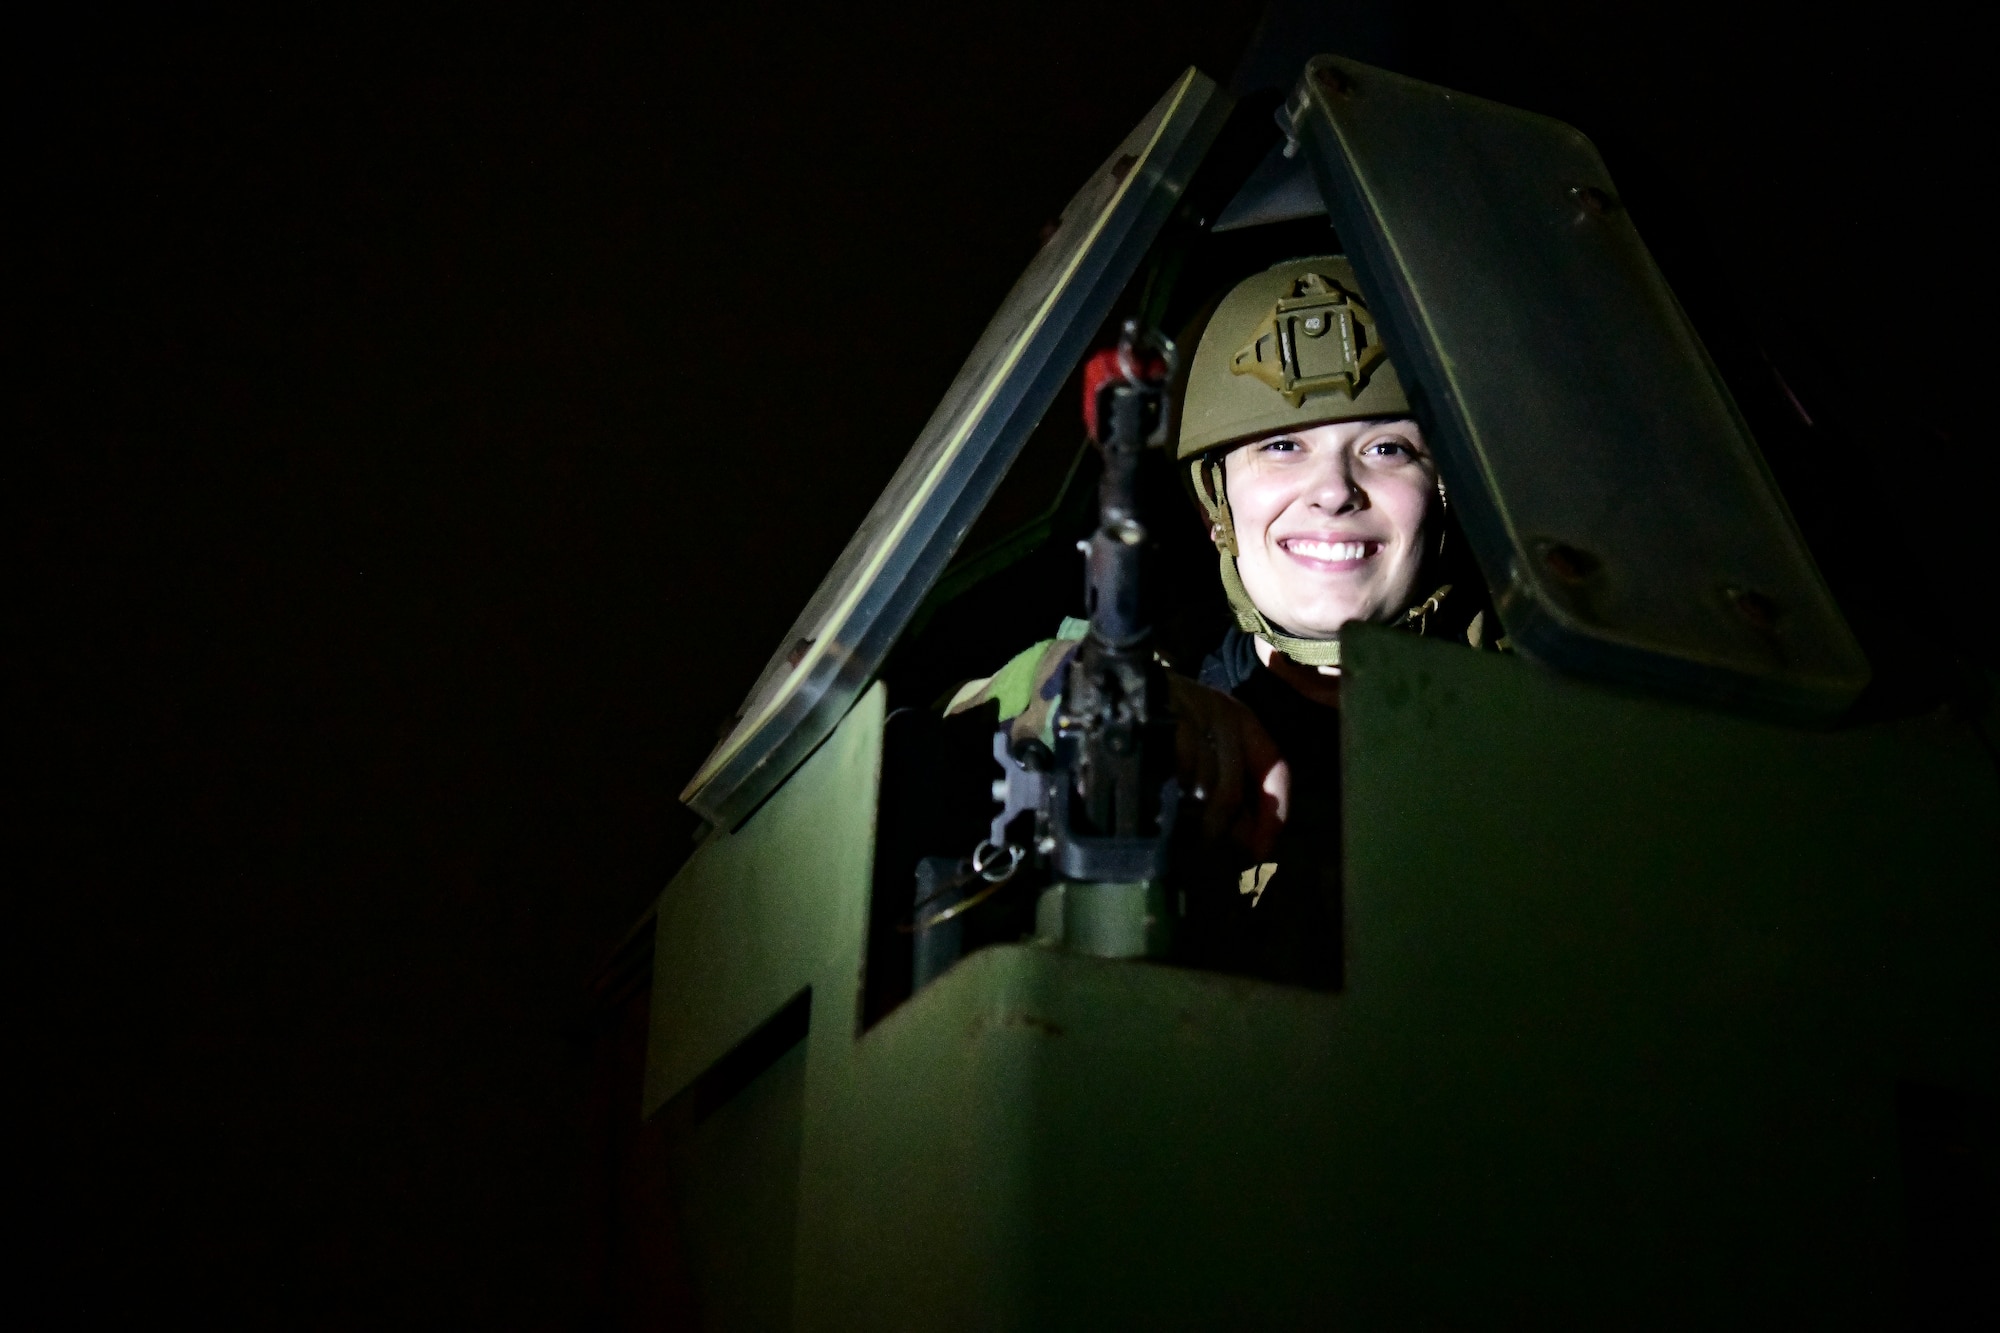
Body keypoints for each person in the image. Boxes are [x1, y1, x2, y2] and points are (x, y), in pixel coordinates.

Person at [948, 256, 1496, 983]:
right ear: (1217, 504)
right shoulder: (1164, 698)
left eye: (1386, 448)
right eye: (1282, 446)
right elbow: (921, 763)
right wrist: (1062, 697)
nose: (1334, 490)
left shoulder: (1540, 707)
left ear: (1443, 491)